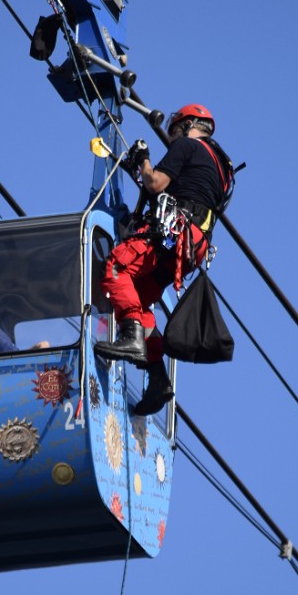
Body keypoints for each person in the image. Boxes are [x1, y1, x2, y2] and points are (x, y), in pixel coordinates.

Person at [94, 103, 235, 416]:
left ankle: (132, 338)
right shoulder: (222, 169)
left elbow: (155, 183)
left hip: (171, 234)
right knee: (141, 302)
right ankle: (157, 378)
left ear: (187, 126)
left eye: (173, 132)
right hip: (190, 249)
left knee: (117, 266)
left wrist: (143, 159)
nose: (172, 139)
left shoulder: (186, 146)